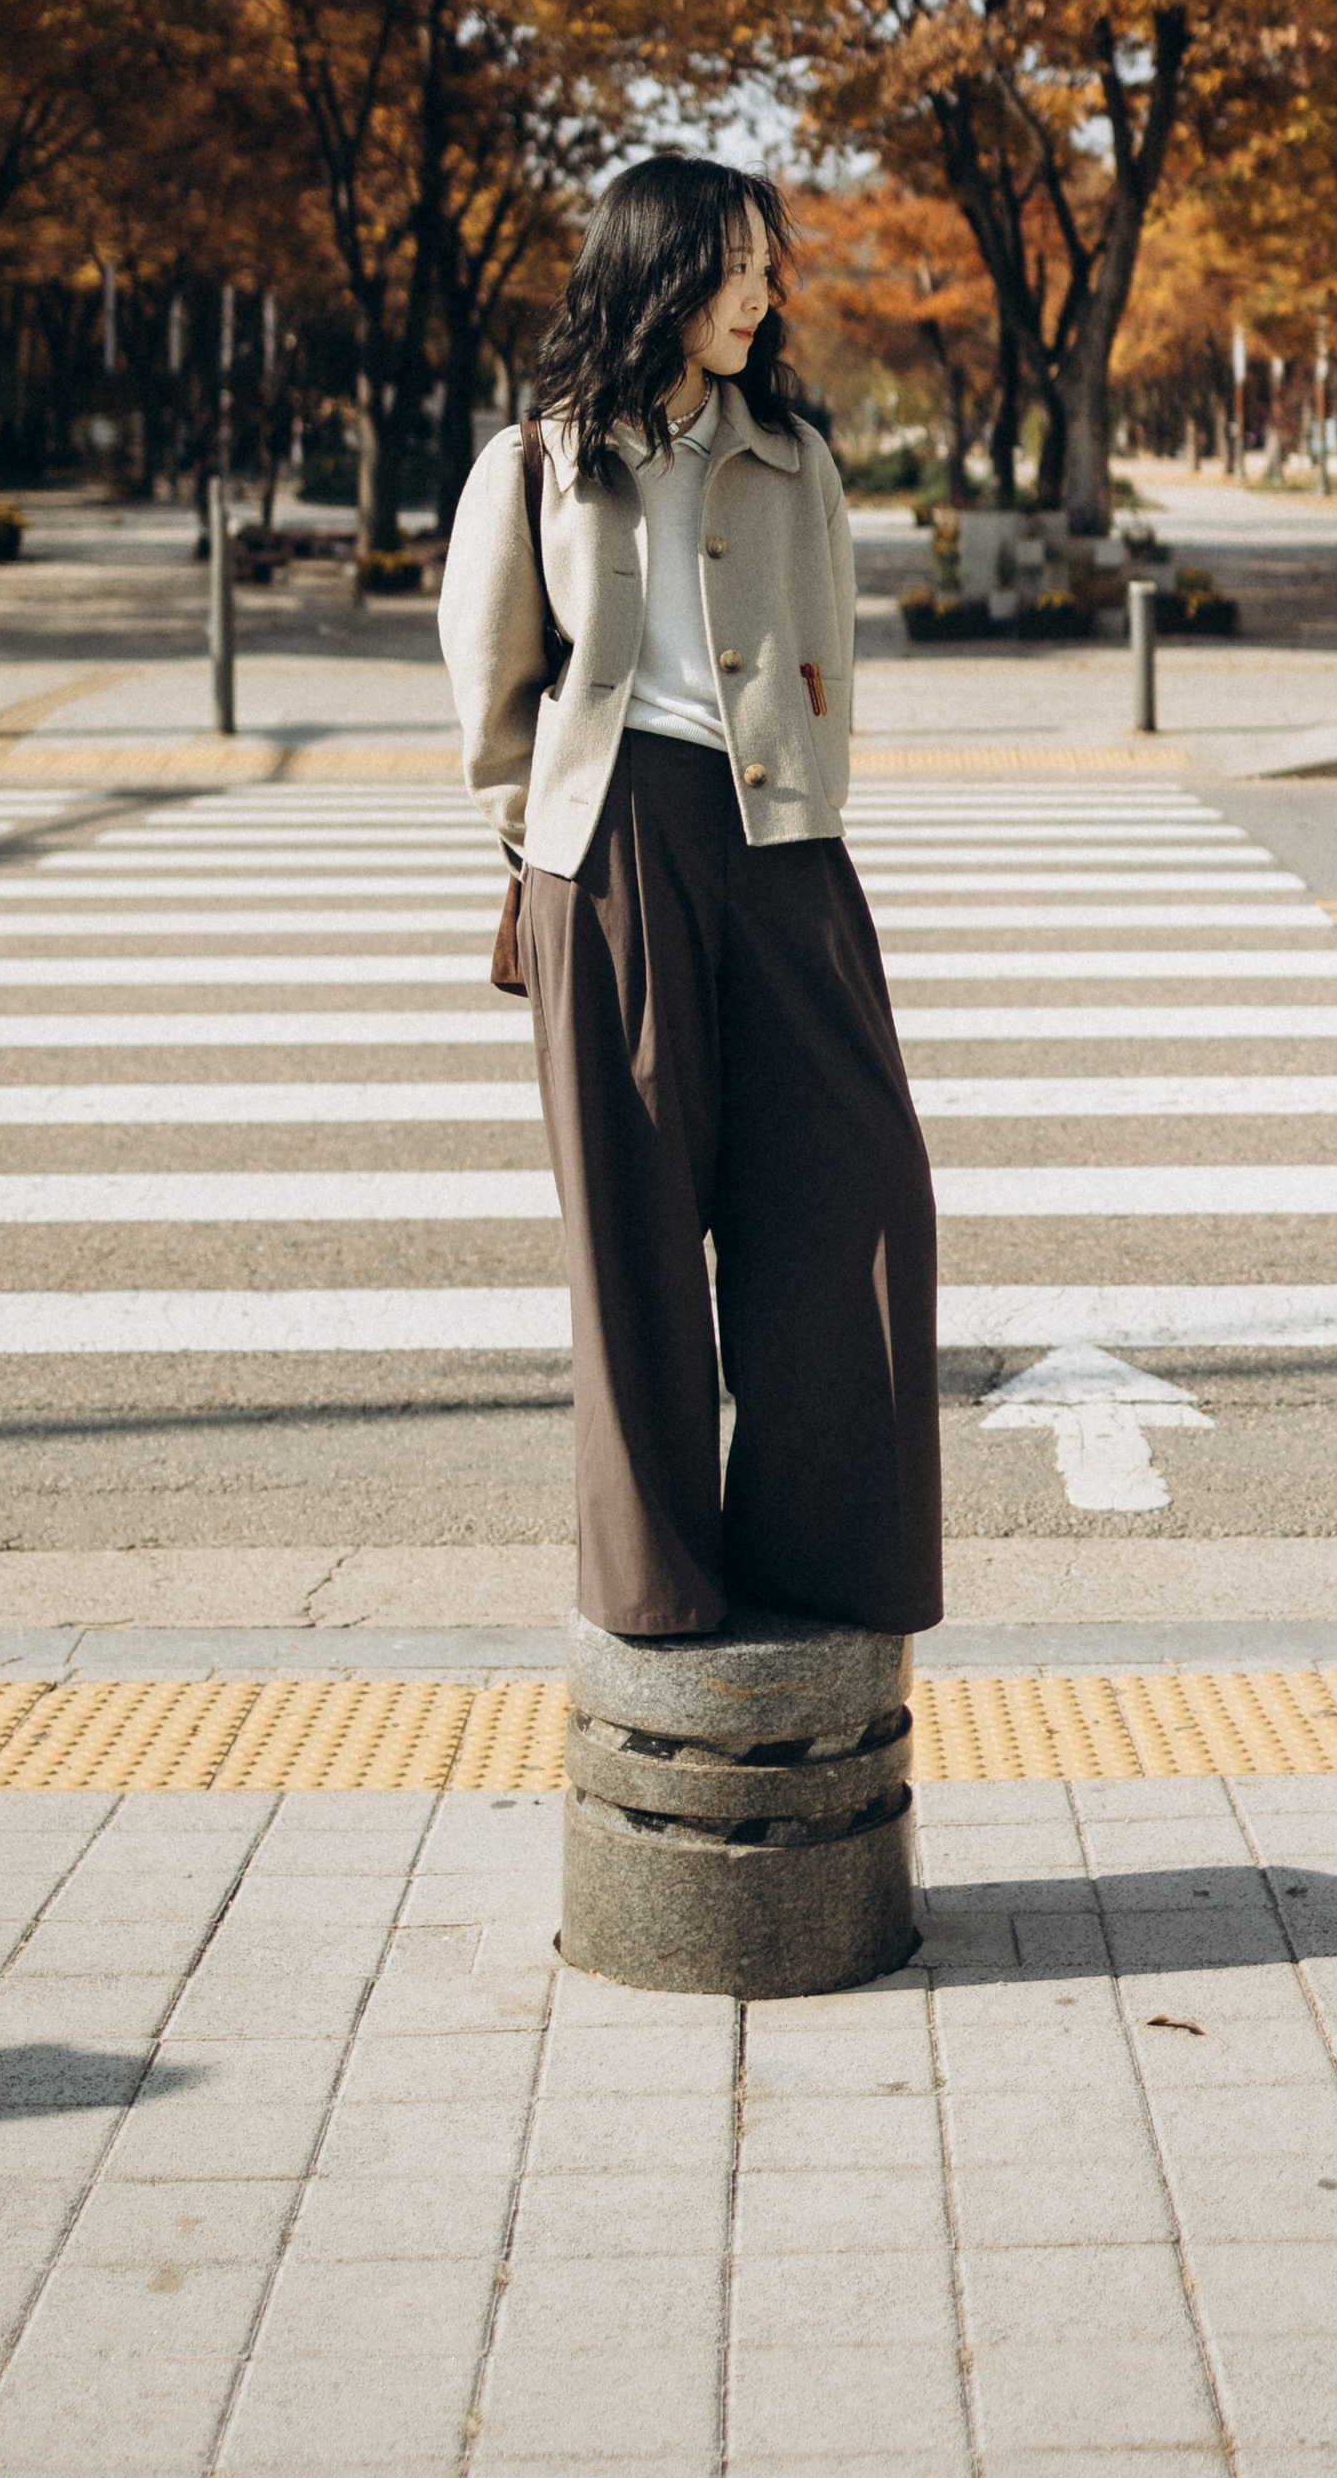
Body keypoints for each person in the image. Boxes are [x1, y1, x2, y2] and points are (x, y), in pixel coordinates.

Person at [439, 154, 942, 1644]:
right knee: (637, 1227)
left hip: (787, 847)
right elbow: (495, 697)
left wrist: (807, 791)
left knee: (865, 1199)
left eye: (767, 267)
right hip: (609, 855)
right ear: (661, 272)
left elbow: (827, 658)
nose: (766, 292)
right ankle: (660, 1583)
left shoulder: (795, 452)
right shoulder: (535, 461)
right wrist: (543, 859)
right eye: (740, 265)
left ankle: (824, 1556)